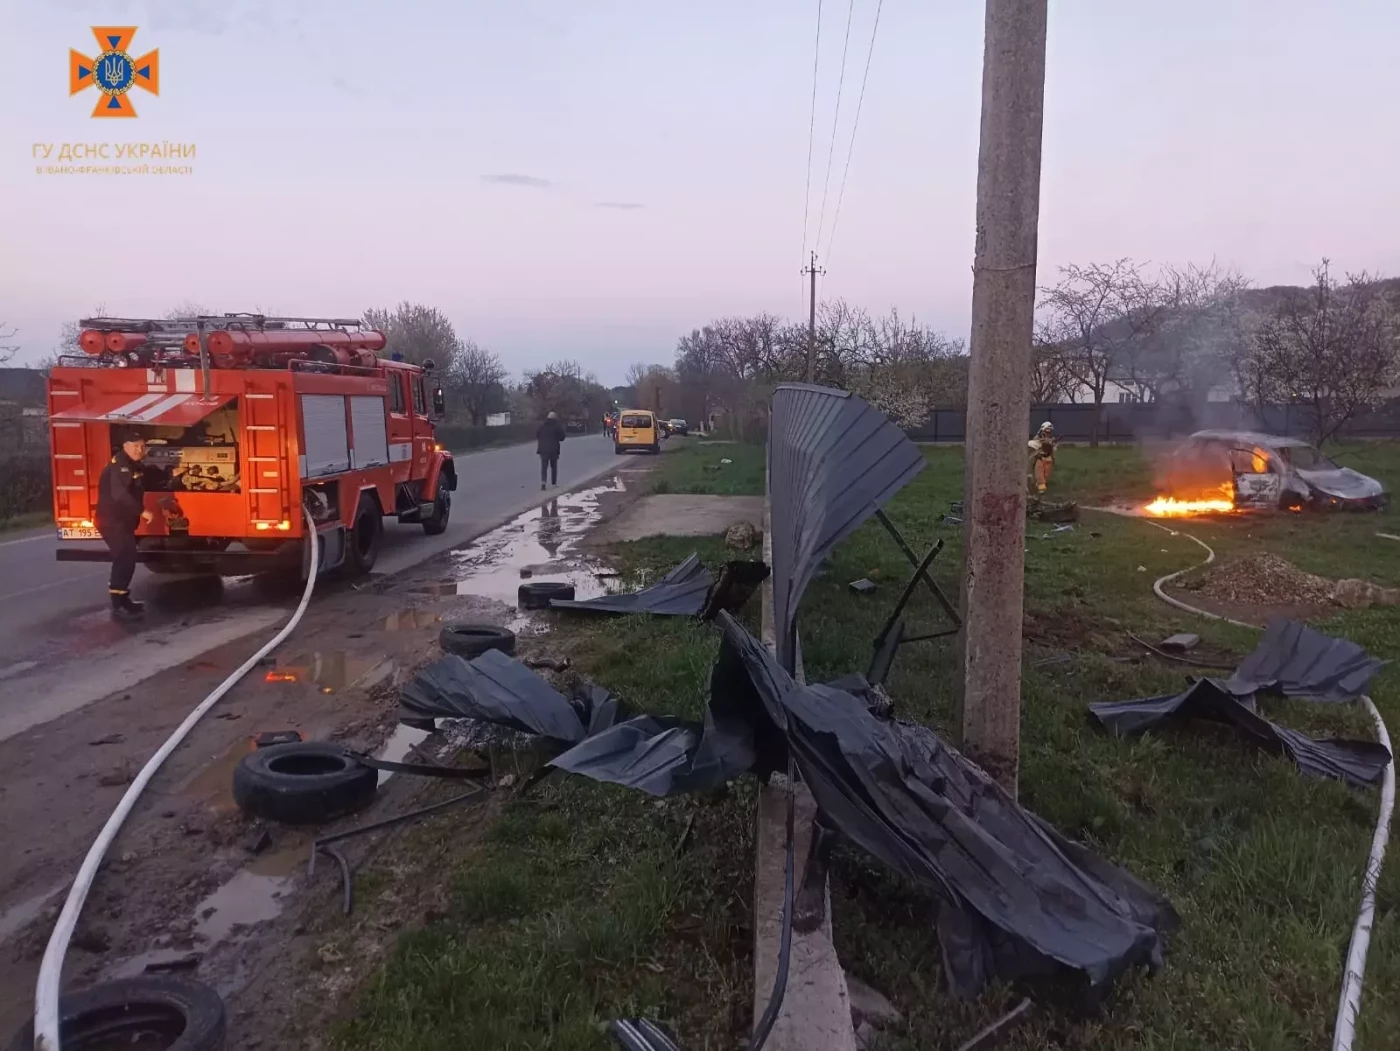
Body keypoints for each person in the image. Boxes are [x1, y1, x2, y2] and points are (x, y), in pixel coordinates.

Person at [96, 434, 154, 619]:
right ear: (125, 446)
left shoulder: (131, 465)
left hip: (121, 522)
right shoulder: (120, 467)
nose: (140, 450)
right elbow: (120, 495)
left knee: (127, 558)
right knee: (124, 558)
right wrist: (142, 511)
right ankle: (118, 603)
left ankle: (123, 599)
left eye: (142, 446)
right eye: (136, 446)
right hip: (113, 522)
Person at [536, 410, 566, 490]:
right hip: (553, 449)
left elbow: (537, 435)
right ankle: (553, 483)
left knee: (544, 466)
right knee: (554, 466)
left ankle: (543, 482)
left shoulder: (542, 426)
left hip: (543, 449)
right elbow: (562, 437)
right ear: (555, 418)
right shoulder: (557, 426)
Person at [1028, 421, 1057, 494]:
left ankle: (1039, 484)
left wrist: (1053, 458)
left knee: (1046, 474)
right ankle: (1042, 489)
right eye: (1047, 429)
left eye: (1049, 429)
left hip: (1049, 458)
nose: (1048, 431)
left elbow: (1054, 450)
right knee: (1040, 474)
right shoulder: (1038, 438)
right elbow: (1033, 447)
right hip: (1040, 458)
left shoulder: (1052, 439)